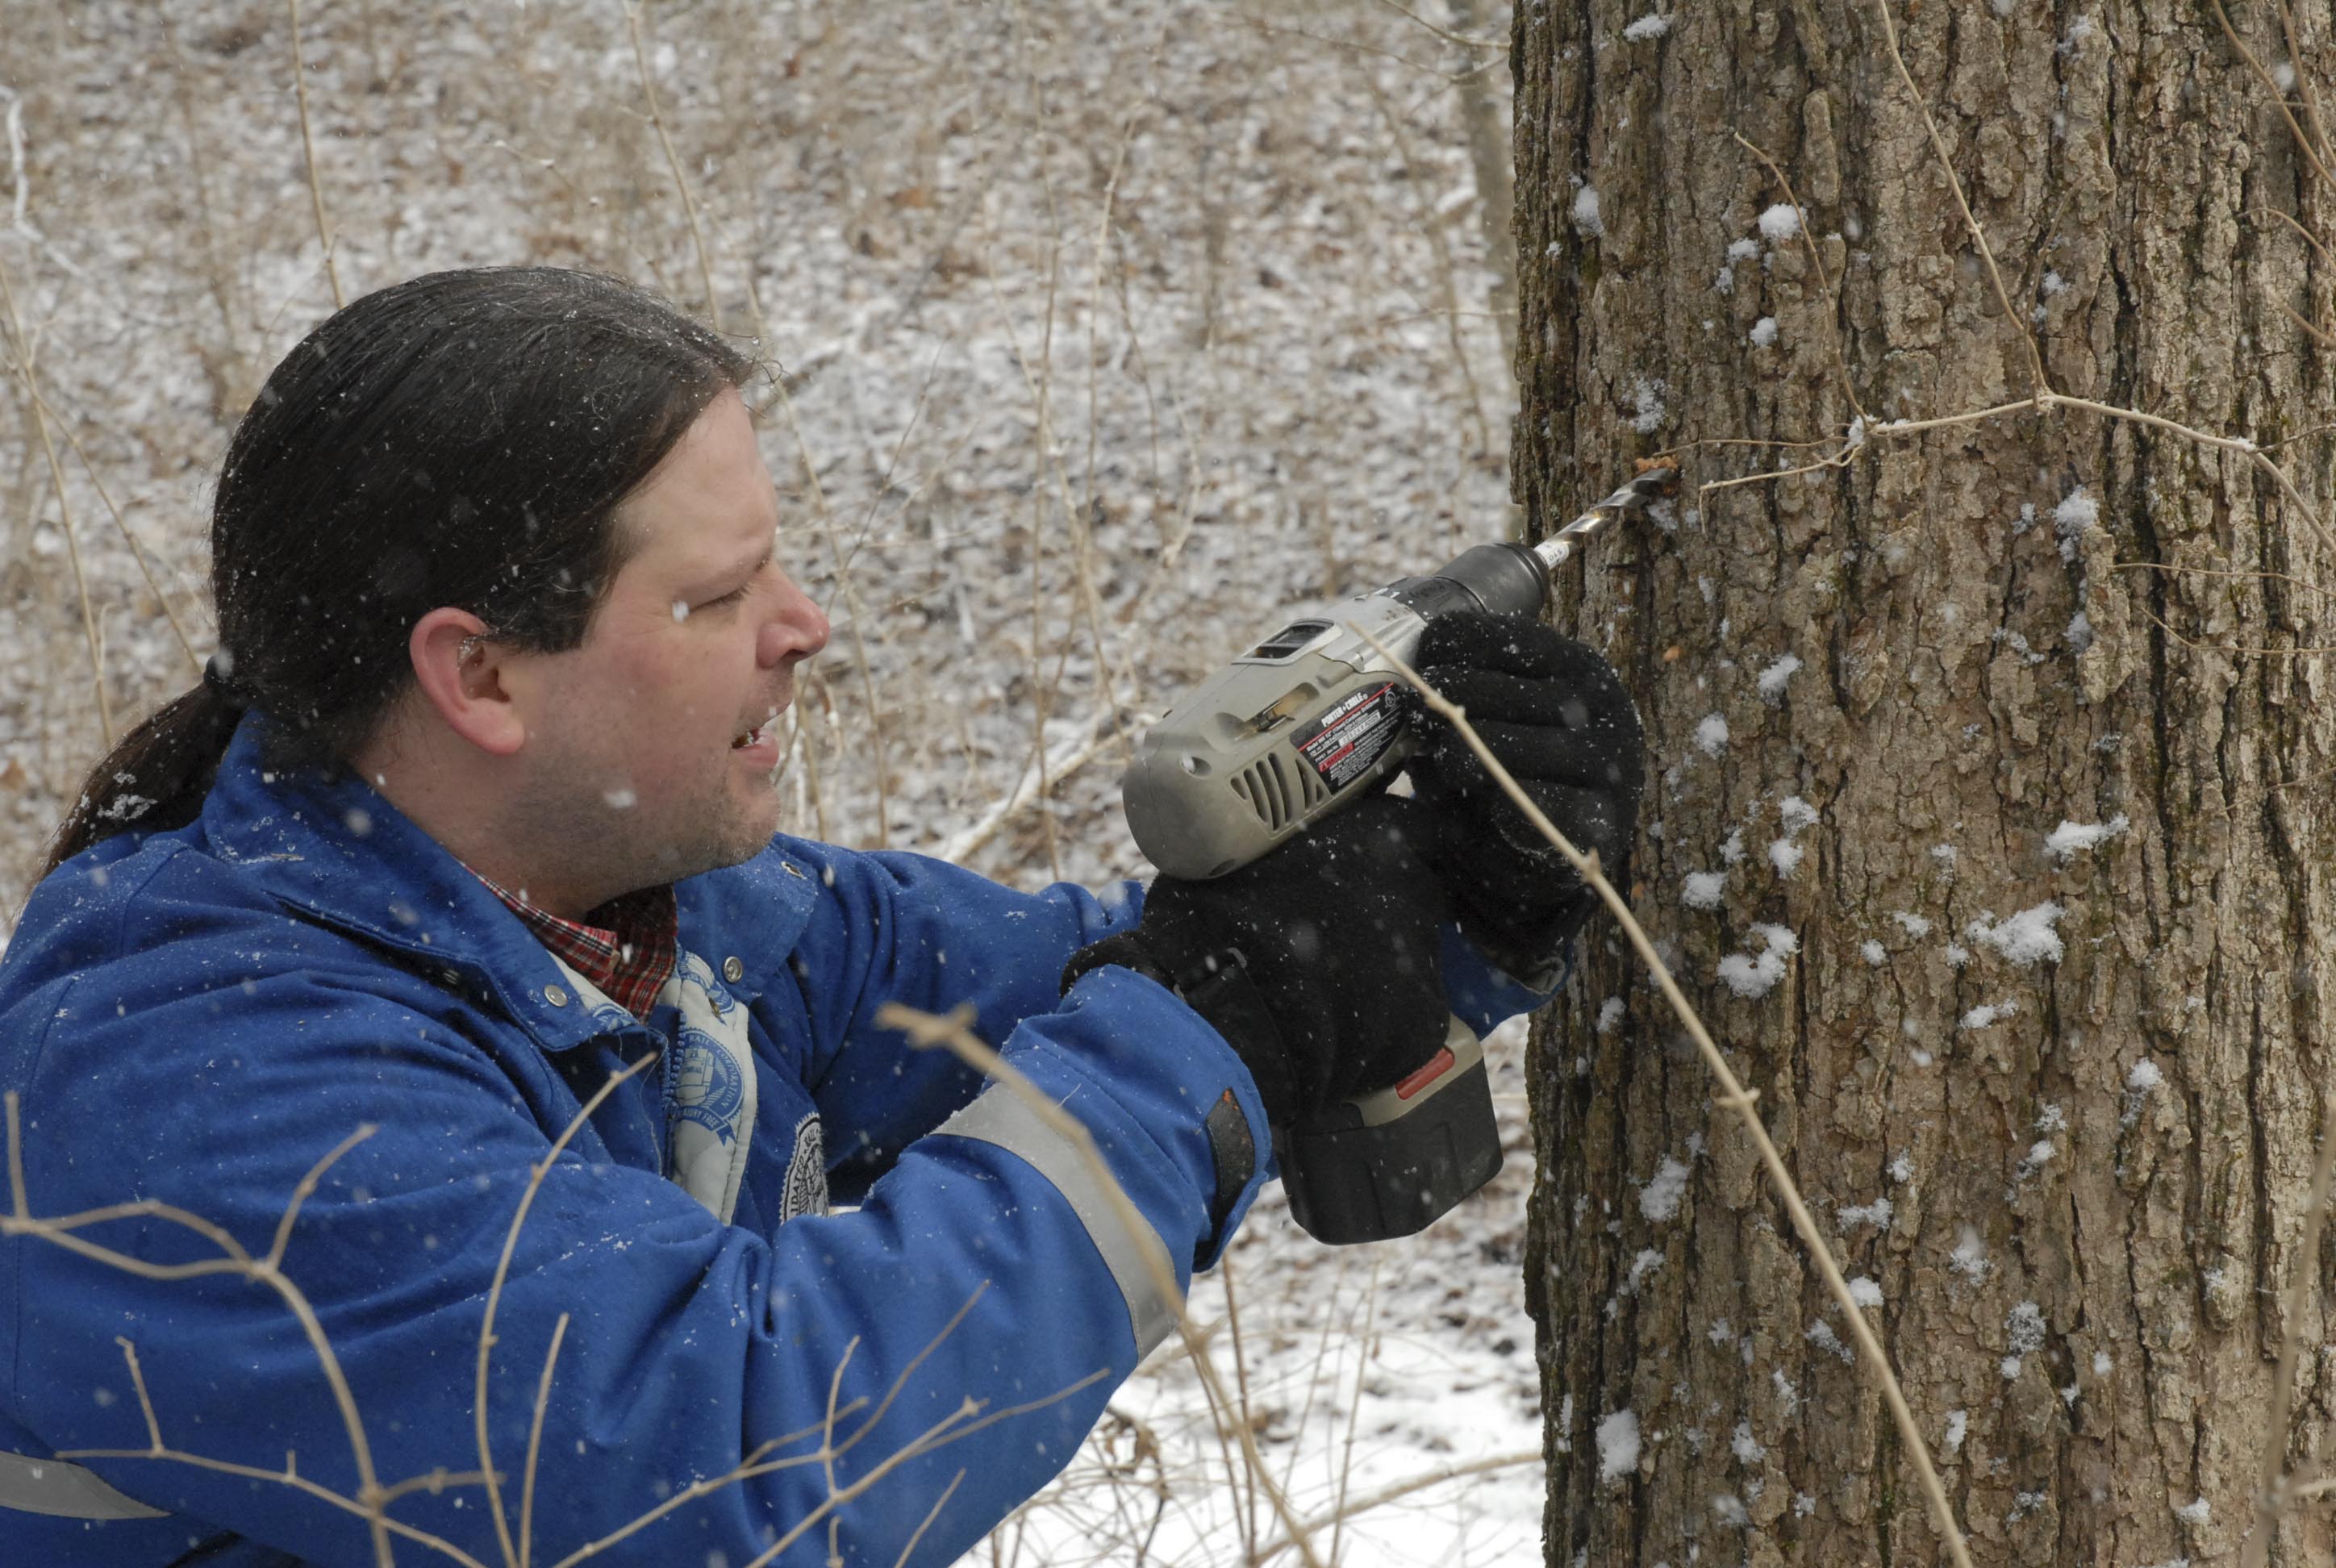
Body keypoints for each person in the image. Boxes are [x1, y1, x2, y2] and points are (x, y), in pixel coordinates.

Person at [0, 267, 1642, 1566]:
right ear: (477, 674)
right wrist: (1212, 1018)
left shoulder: (677, 922)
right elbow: (732, 1471)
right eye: (716, 599)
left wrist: (1444, 901)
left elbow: (1092, 992)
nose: (806, 626)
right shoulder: (186, 1083)